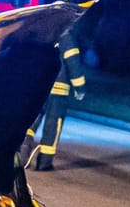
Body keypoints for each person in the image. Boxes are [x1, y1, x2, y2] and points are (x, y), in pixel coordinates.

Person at [26, 32, 86, 171]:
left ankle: (21, 157)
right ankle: (44, 163)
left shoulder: (42, 34)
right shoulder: (66, 36)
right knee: (53, 126)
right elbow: (72, 61)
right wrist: (80, 87)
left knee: (29, 122)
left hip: (38, 87)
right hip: (58, 90)